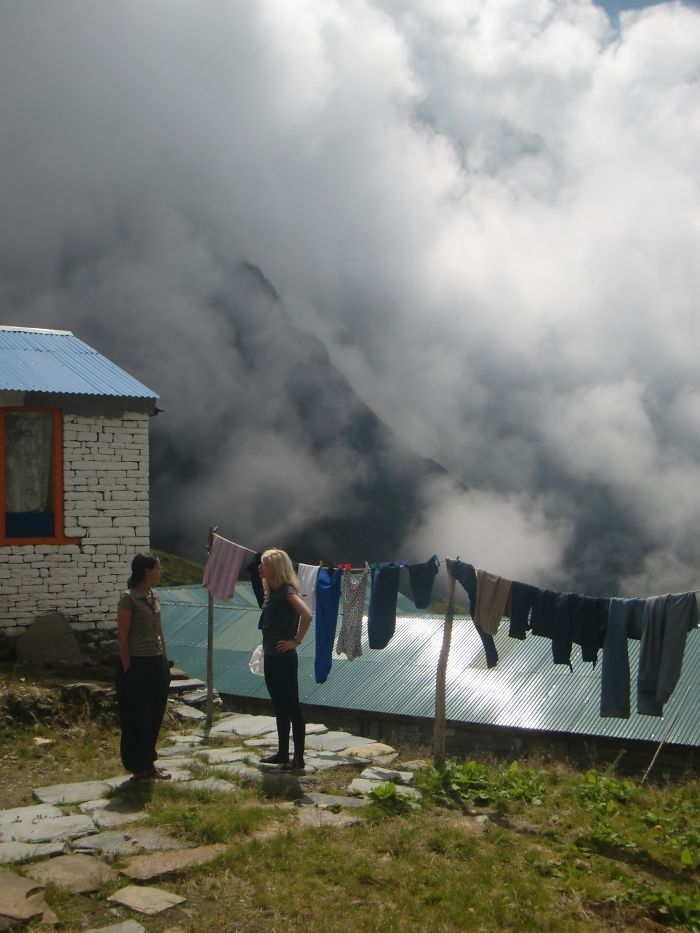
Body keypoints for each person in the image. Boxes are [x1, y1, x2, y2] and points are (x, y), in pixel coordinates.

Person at [115, 553, 171, 783]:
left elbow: (159, 631)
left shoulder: (154, 596)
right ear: (147, 571)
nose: (161, 571)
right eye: (158, 568)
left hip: (155, 660)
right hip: (137, 662)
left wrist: (164, 660)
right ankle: (137, 766)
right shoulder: (129, 598)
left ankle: (149, 761)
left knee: (155, 713)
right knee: (138, 715)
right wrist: (128, 667)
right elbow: (122, 636)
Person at [258, 548, 313, 771]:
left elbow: (307, 614)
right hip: (271, 655)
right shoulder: (272, 592)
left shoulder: (285, 591)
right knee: (279, 706)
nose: (260, 567)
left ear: (276, 568)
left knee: (291, 706)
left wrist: (296, 640)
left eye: (264, 564)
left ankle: (298, 758)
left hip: (284, 658)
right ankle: (282, 753)